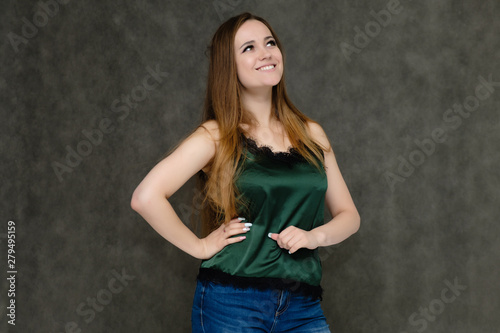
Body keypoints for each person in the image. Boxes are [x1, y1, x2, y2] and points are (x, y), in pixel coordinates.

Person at [131, 12, 360, 333]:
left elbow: (349, 215)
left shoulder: (312, 134)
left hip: (302, 305)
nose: (266, 52)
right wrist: (200, 247)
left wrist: (314, 236)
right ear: (229, 66)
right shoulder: (216, 136)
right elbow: (145, 197)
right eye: (249, 48)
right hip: (231, 303)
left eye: (269, 42)